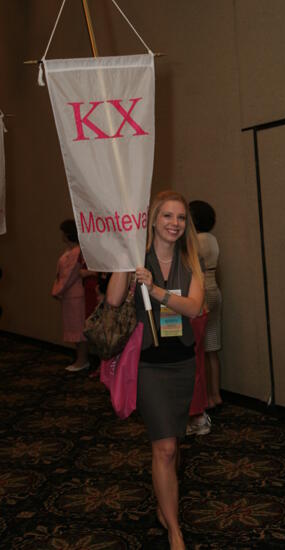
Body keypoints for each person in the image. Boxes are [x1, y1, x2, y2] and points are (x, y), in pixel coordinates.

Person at [106, 190, 204, 550]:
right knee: (163, 447)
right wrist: (123, 261)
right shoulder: (136, 258)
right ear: (153, 220)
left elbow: (193, 308)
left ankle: (166, 506)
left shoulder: (192, 259)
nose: (175, 224)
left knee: (174, 444)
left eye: (180, 218)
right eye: (167, 216)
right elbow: (114, 300)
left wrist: (156, 289)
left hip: (182, 363)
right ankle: (175, 531)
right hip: (148, 365)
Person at [189, 200, 222, 410]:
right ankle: (215, 395)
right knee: (212, 347)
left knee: (198, 347)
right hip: (215, 289)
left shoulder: (196, 241)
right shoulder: (212, 239)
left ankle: (203, 398)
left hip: (201, 292)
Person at [52, 219, 89, 372]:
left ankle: (82, 360)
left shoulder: (76, 253)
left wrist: (56, 291)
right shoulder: (72, 251)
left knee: (78, 330)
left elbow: (68, 276)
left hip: (74, 295)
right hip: (69, 295)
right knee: (74, 328)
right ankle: (80, 358)